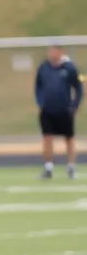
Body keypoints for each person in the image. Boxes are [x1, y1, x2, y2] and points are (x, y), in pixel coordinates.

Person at [35, 45, 81, 179]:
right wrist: (40, 102)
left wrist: (74, 105)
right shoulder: (44, 67)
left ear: (60, 53)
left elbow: (78, 87)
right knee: (47, 137)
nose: (52, 54)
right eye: (50, 51)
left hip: (64, 110)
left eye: (55, 51)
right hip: (48, 110)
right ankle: (48, 167)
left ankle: (71, 167)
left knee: (69, 138)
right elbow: (38, 86)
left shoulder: (69, 68)